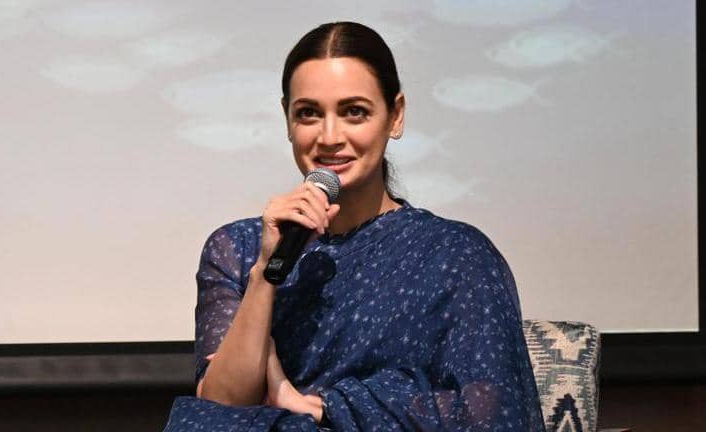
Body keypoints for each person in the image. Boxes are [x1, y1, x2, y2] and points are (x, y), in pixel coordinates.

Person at [164, 22, 545, 432]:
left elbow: (491, 411)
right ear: (287, 119)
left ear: (395, 116)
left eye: (354, 112)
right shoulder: (238, 248)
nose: (330, 137)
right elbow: (219, 410)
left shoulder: (455, 254)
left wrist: (324, 407)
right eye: (308, 113)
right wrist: (265, 275)